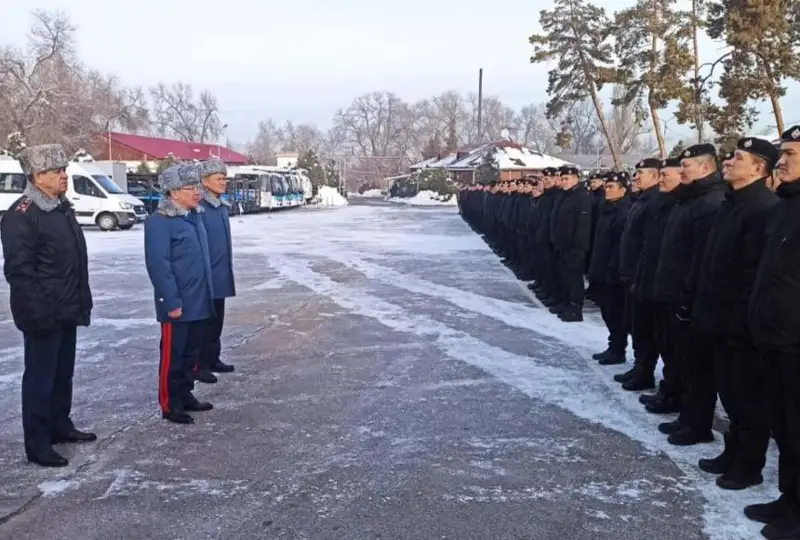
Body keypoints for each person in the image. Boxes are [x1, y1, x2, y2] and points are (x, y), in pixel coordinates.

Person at [691, 137, 778, 491]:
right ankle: (733, 451)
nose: (727, 161)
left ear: (758, 168)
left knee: (747, 398)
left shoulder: (763, 208)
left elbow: (751, 276)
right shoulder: (732, 203)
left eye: (737, 158)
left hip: (739, 325)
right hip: (717, 317)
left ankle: (748, 464)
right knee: (730, 393)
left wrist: (738, 323)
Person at [1, 144, 95, 467]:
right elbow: (19, 271)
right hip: (42, 313)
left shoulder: (60, 208)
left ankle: (60, 425)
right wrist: (37, 313)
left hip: (66, 307)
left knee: (62, 374)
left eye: (64, 170)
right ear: (37, 176)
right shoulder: (22, 215)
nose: (63, 176)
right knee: (40, 379)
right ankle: (38, 442)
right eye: (57, 172)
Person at [746, 125, 800, 538]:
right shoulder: (785, 206)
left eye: (792, 154)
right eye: (782, 153)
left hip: (795, 341)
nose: (782, 161)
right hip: (775, 337)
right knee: (784, 426)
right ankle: (790, 499)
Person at [653, 143, 726, 446]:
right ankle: (687, 416)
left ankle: (698, 425)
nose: (681, 171)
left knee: (698, 368)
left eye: (687, 167)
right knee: (683, 361)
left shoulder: (710, 202)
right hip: (675, 293)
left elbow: (701, 259)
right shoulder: (688, 200)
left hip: (691, 298)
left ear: (706, 168)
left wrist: (689, 297)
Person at [145, 164, 215, 425]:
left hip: (198, 301)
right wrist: (170, 301)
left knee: (190, 354)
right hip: (178, 303)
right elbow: (159, 265)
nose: (197, 192)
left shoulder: (193, 217)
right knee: (173, 356)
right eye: (191, 188)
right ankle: (170, 402)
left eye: (198, 187)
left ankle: (186, 395)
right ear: (174, 193)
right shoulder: (160, 222)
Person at [633, 158, 683, 412]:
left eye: (666, 174)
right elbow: (646, 245)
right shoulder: (661, 203)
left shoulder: (677, 204)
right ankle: (658, 383)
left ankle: (674, 396)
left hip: (671, 290)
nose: (662, 179)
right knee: (656, 337)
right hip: (652, 280)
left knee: (673, 348)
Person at [617, 160, 662, 392]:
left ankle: (644, 371)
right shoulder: (642, 199)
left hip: (641, 275)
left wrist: (636, 274)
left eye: (641, 174)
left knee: (645, 328)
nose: (635, 178)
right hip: (633, 273)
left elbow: (647, 244)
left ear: (655, 176)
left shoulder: (654, 202)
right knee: (637, 326)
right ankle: (639, 367)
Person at [195, 159, 236, 384]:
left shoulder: (220, 205)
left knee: (217, 319)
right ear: (204, 181)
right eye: (218, 178)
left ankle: (213, 358)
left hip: (220, 271)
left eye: (224, 178)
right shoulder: (200, 206)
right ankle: (199, 364)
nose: (223, 182)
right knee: (203, 321)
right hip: (205, 274)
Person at [587, 172, 631, 364]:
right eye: (606, 186)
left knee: (615, 313)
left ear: (623, 189)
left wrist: (612, 271)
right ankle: (613, 346)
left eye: (612, 187)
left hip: (611, 273)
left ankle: (618, 349)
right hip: (601, 268)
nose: (607, 190)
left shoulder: (623, 211)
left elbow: (620, 246)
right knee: (607, 312)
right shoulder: (607, 208)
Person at [552, 166, 593, 322]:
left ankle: (576, 308)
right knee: (565, 277)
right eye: (562, 179)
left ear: (576, 178)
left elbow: (583, 224)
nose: (564, 182)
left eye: (567, 178)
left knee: (574, 279)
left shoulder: (582, 197)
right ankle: (566, 304)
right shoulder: (566, 195)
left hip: (575, 246)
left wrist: (579, 247)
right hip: (563, 244)